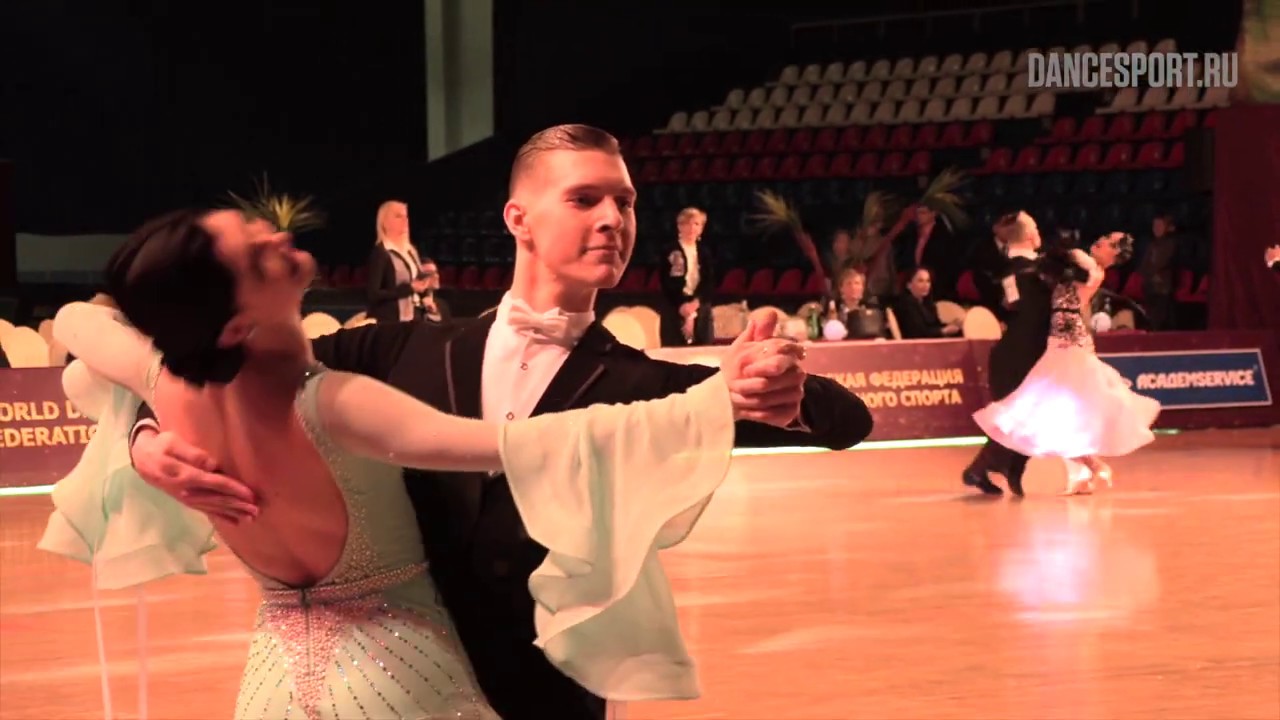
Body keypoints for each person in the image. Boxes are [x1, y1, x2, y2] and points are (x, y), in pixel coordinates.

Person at [125, 125, 873, 720]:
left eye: (625, 202)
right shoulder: (397, 348)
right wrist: (147, 438)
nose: (612, 219)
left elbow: (847, 420)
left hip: (550, 697)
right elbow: (222, 363)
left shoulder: (644, 385)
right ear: (519, 218)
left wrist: (778, 384)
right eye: (584, 199)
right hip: (399, 687)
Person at [971, 235, 1162, 495]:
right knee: (1057, 412)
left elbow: (1056, 264)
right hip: (1062, 340)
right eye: (1105, 237)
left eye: (1109, 242)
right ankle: (1093, 468)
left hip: (1068, 343)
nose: (1101, 240)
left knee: (1049, 409)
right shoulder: (1085, 266)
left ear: (1115, 255)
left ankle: (1093, 467)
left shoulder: (1087, 266)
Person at [961, 211, 1050, 496]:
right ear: (1029, 235)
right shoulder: (1038, 270)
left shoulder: (1011, 270)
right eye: (1035, 227)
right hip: (1022, 354)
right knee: (1021, 417)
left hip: (1014, 351)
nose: (1039, 231)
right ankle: (984, 469)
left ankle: (1005, 472)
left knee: (1026, 416)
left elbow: (1013, 307)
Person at [659, 206, 716, 346]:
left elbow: (709, 281)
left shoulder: (705, 252)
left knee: (703, 350)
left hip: (700, 306)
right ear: (679, 226)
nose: (692, 228)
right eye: (687, 224)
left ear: (701, 228)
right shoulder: (671, 250)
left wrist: (695, 303)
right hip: (675, 306)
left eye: (696, 224)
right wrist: (683, 305)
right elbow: (667, 281)